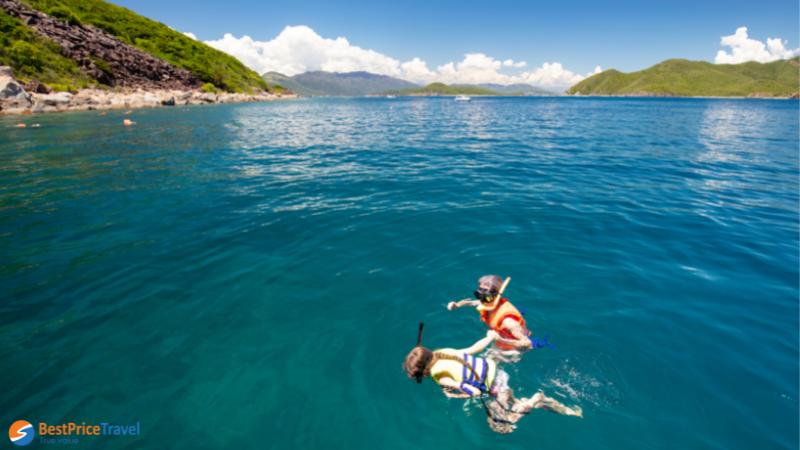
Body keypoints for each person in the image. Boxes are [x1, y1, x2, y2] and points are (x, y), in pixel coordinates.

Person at [403, 331, 582, 434]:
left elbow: (474, 393)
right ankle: (559, 408)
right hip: (497, 372)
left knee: (501, 426)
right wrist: (490, 336)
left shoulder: (441, 376)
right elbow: (475, 348)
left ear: (423, 371)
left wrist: (453, 395)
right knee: (514, 403)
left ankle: (536, 399)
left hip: (493, 386)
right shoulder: (443, 352)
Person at [447, 275, 533, 351]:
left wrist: (500, 339)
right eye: (478, 294)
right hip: (498, 337)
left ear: (496, 296)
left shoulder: (508, 321)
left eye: (486, 297)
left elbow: (528, 345)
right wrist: (457, 305)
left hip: (514, 348)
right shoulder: (486, 302)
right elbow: (474, 303)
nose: (480, 299)